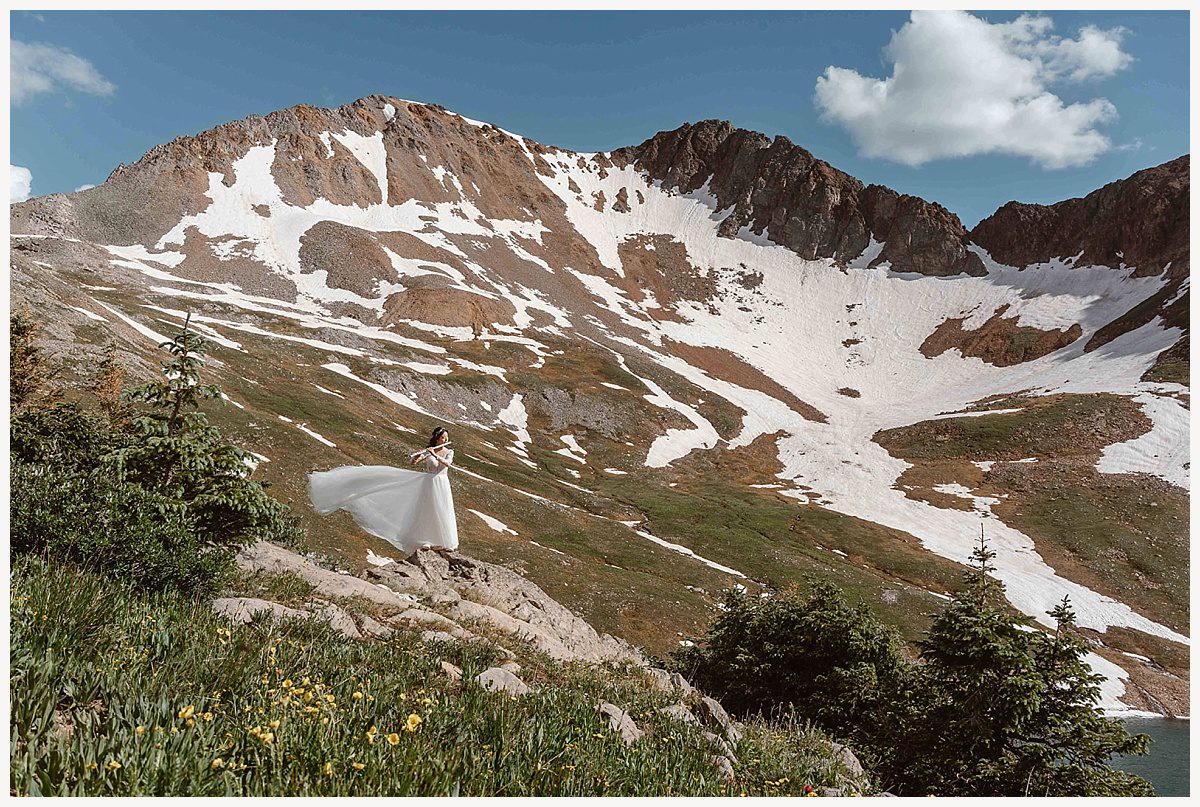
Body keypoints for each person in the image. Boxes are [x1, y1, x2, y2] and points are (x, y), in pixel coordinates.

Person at [308, 426, 458, 555]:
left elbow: (445, 465)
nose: (445, 440)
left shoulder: (448, 451)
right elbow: (413, 463)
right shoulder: (430, 450)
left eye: (446, 438)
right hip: (428, 483)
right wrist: (417, 457)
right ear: (436, 439)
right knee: (426, 511)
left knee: (441, 510)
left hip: (441, 482)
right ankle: (425, 540)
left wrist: (432, 454)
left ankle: (444, 542)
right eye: (443, 438)